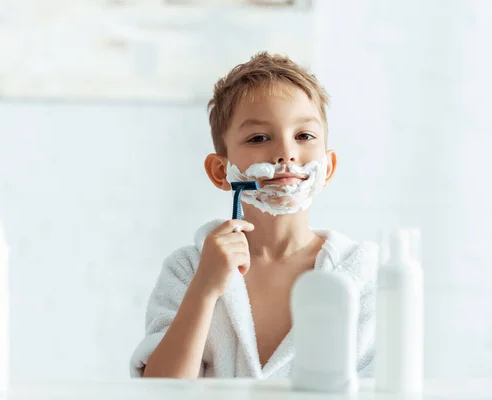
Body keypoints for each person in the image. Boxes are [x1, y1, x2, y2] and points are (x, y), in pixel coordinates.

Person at [130, 52, 377, 379]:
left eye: (304, 136)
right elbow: (159, 392)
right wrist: (204, 289)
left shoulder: (358, 274)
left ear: (328, 167)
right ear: (220, 171)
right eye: (259, 138)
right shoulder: (189, 270)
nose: (286, 153)